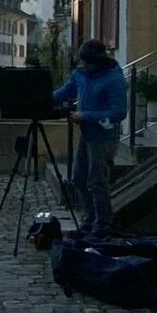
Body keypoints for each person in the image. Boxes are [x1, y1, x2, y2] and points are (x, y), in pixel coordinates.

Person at [53, 39, 130, 240]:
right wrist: (41, 98)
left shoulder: (113, 78)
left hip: (104, 136)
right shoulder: (82, 73)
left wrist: (85, 116)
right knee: (79, 177)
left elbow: (119, 111)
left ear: (98, 61)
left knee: (97, 181)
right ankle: (89, 220)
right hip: (87, 135)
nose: (83, 65)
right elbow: (64, 92)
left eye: (88, 62)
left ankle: (102, 226)